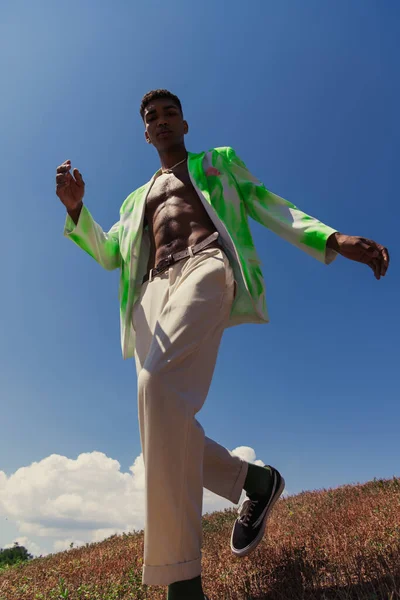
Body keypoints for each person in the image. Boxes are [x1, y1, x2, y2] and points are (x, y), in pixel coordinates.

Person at [55, 89, 389, 600]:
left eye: (169, 114)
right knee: (161, 418)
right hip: (149, 294)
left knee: (156, 387)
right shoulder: (132, 200)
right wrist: (78, 212)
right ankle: (255, 483)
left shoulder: (218, 164)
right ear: (145, 133)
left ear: (184, 125)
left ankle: (184, 586)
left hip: (205, 266)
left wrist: (331, 238)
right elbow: (110, 255)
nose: (161, 121)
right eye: (151, 117)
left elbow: (266, 203)